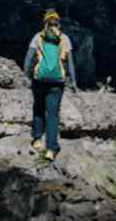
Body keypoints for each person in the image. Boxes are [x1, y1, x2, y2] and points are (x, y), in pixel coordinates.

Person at [23, 9, 77, 161]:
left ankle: (37, 140)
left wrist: (25, 75)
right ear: (58, 23)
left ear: (45, 22)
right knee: (53, 114)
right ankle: (51, 149)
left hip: (39, 80)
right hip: (57, 82)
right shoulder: (64, 38)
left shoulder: (38, 36)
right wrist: (73, 82)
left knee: (38, 108)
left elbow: (29, 58)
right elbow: (70, 63)